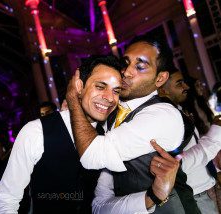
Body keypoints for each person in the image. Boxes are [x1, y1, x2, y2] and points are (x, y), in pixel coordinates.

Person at [0, 56, 178, 214]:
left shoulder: (109, 136)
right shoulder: (36, 132)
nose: (109, 97)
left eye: (116, 91)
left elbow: (100, 205)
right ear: (79, 86)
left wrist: (153, 196)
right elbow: (6, 200)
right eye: (100, 86)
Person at [66, 35, 199, 213]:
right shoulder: (115, 112)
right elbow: (100, 202)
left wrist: (73, 98)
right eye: (125, 62)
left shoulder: (162, 115)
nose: (126, 72)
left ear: (160, 79)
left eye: (140, 66)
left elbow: (93, 154)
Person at [159, 69, 221, 213]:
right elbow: (177, 163)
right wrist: (215, 133)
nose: (186, 87)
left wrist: (215, 169)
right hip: (195, 192)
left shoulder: (180, 109)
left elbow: (195, 146)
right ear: (162, 89)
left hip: (206, 185)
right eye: (179, 83)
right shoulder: (163, 118)